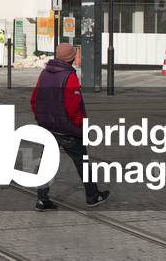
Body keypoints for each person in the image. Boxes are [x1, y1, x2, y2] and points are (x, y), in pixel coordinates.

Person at [30, 43, 109, 210]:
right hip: (68, 130)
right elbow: (73, 106)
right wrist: (80, 125)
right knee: (82, 162)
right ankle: (92, 196)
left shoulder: (44, 74)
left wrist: (41, 118)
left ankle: (42, 199)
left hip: (48, 128)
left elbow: (34, 99)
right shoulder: (69, 77)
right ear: (72, 58)